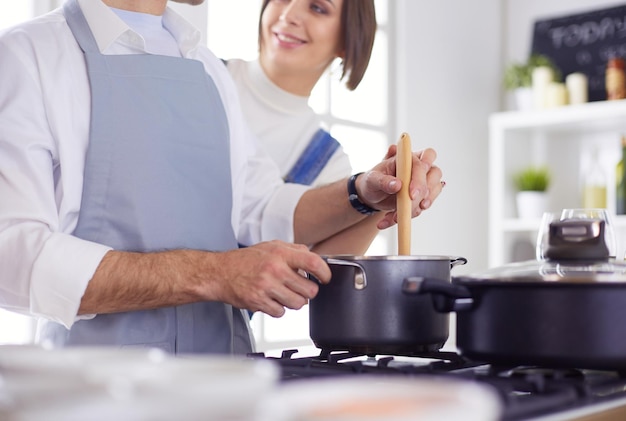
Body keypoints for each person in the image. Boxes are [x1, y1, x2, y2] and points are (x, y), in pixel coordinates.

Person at [0, 0, 444, 355]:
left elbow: (259, 208)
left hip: (222, 383)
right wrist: (213, 273)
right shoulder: (29, 55)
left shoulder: (206, 68)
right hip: (96, 393)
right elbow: (11, 255)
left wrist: (363, 192)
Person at [227, 0, 381, 255]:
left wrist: (386, 200)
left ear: (347, 39)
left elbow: (320, 281)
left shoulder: (331, 167)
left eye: (317, 7)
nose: (289, 15)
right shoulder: (201, 74)